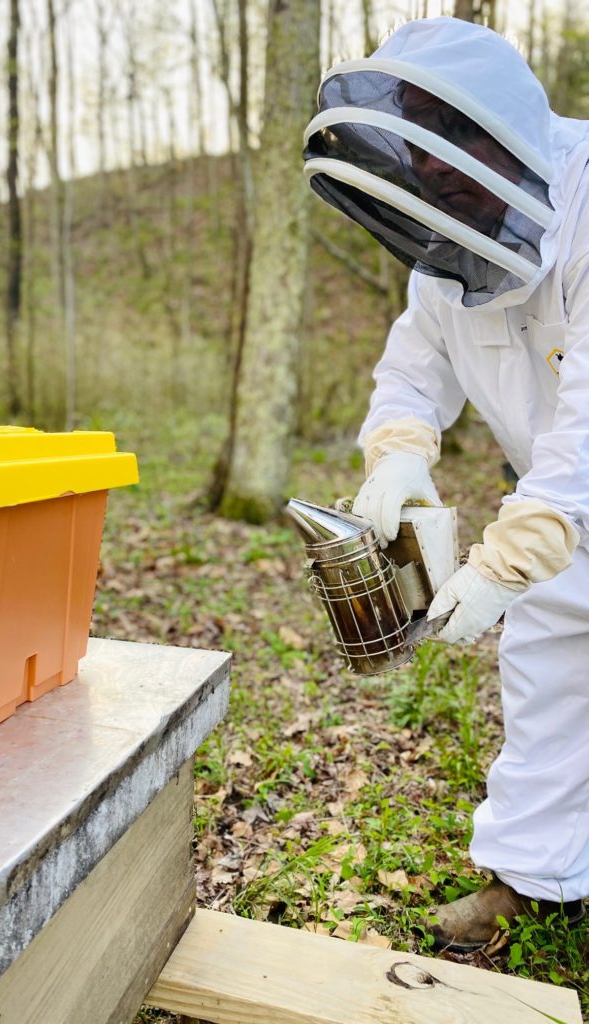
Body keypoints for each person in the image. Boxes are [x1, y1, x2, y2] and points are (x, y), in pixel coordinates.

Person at [303, 16, 589, 952]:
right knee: (545, 674)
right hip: (554, 502)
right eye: (424, 165)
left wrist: (513, 556)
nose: (439, 185)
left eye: (452, 155)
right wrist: (398, 449)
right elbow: (415, 363)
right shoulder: (452, 242)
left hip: (565, 487)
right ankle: (533, 878)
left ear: (497, 134)